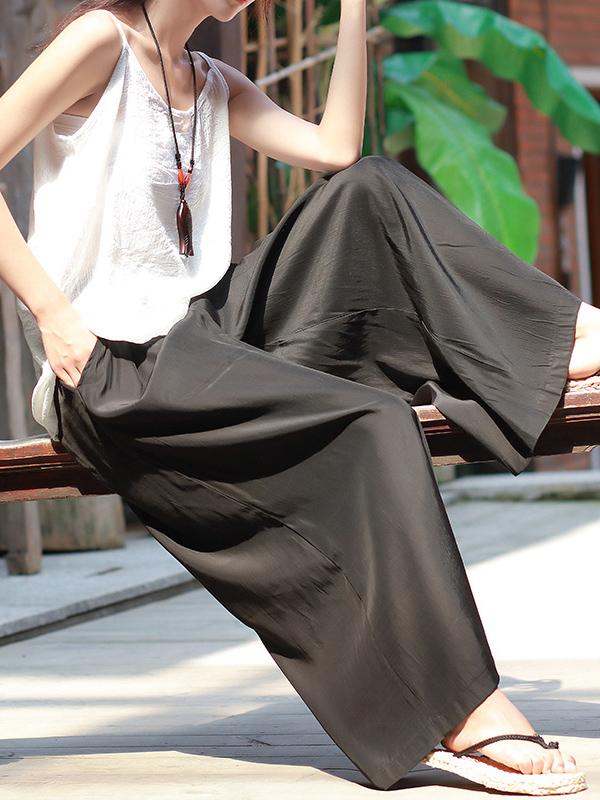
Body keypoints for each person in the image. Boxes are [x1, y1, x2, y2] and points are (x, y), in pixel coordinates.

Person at [0, 0, 595, 793]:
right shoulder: (97, 41)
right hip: (111, 369)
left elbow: (335, 149)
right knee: (375, 422)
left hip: (202, 336)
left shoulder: (211, 79)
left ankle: (568, 336)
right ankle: (462, 712)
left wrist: (353, 9)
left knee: (371, 186)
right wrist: (53, 313)